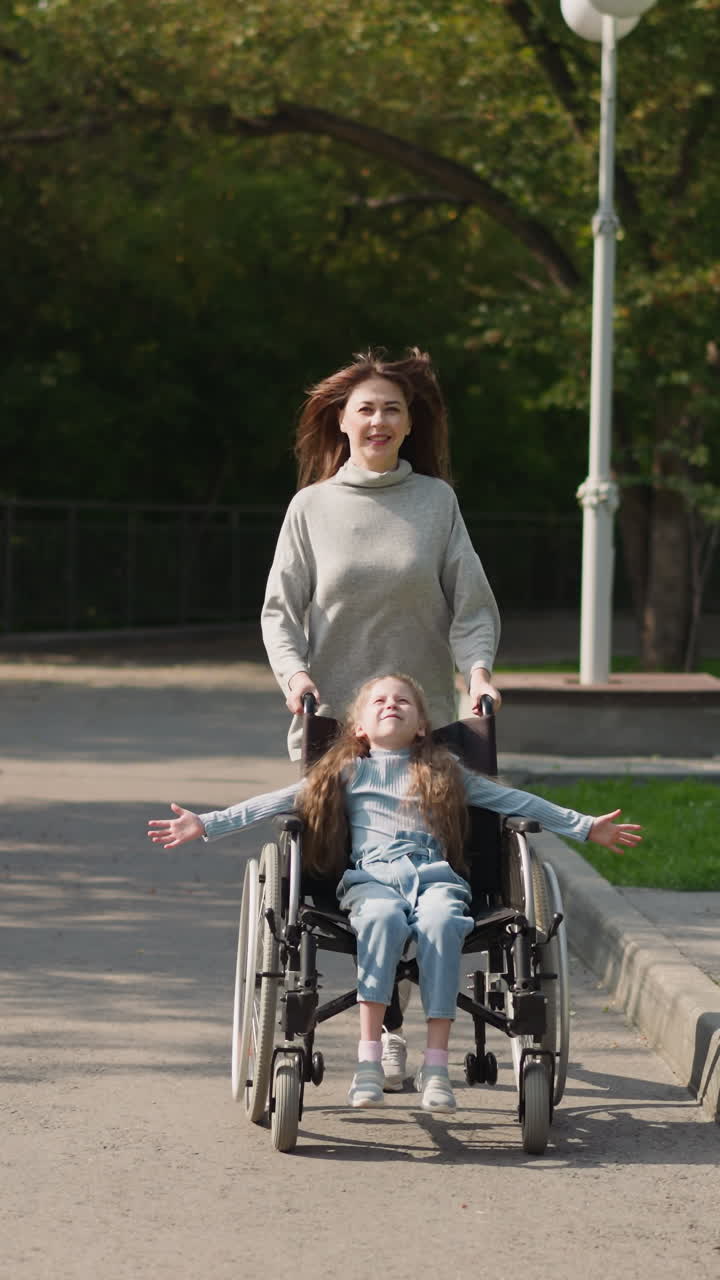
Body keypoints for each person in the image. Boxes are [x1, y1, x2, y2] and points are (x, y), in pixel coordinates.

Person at [147, 673, 642, 1115]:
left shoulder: (447, 774)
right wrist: (206, 824)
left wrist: (584, 827)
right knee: (381, 919)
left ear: (422, 725)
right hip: (372, 880)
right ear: (359, 726)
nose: (390, 704)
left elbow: (515, 800)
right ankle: (367, 1063)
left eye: (402, 700)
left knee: (445, 922)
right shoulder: (345, 772)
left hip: (435, 877)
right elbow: (276, 802)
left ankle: (436, 1066)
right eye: (378, 700)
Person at [261, 347, 502, 1081]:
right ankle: (386, 1020)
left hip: (420, 723)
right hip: (336, 722)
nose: (378, 419)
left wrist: (479, 672)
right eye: (365, 407)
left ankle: (398, 1016)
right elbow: (281, 611)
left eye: (392, 408)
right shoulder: (311, 508)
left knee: (421, 862)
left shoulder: (437, 504)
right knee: (352, 865)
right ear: (342, 419)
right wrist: (296, 675)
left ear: (409, 423)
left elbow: (470, 607)